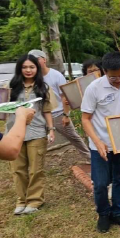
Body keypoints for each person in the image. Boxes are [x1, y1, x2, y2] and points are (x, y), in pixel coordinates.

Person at [81, 51, 120, 233]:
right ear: (104, 72)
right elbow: (85, 119)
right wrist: (97, 142)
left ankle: (117, 212)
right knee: (100, 183)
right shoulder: (94, 88)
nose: (119, 80)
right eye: (113, 78)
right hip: (101, 144)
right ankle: (104, 214)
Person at [7, 54, 56, 215]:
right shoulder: (11, 86)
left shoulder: (43, 87)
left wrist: (51, 129)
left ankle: (34, 201)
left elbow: (47, 110)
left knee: (36, 169)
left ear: (37, 68)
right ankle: (21, 200)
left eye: (32, 67)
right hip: (14, 134)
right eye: (25, 67)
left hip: (36, 132)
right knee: (18, 169)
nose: (28, 70)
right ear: (20, 68)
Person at [28, 50, 91, 164]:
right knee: (37, 140)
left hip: (58, 114)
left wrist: (66, 115)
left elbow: (64, 97)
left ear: (44, 60)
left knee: (74, 137)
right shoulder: (32, 77)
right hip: (40, 116)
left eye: (36, 59)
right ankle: (35, 163)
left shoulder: (56, 75)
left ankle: (90, 158)